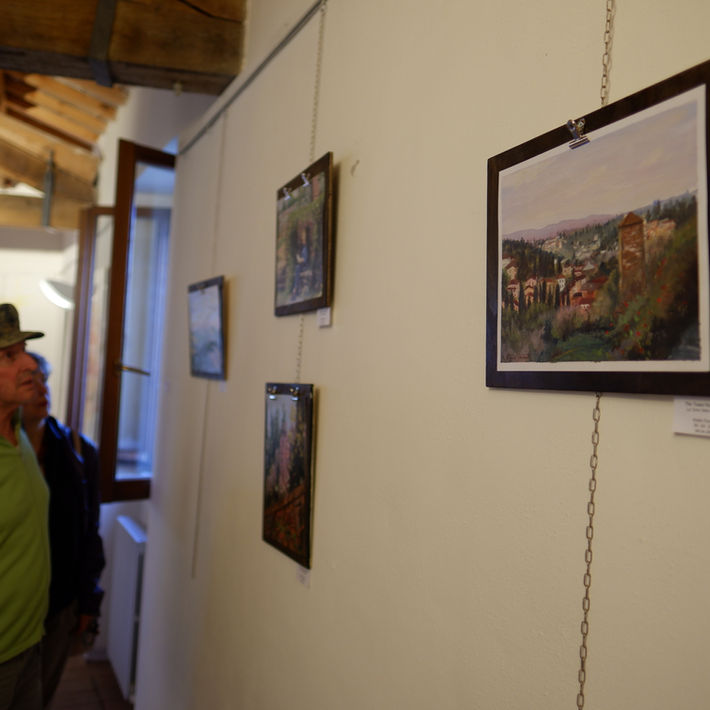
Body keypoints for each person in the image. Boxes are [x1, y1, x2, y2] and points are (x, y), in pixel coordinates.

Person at [22, 353, 105, 708]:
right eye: (30, 382)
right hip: (12, 600)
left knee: (40, 693)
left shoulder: (78, 451)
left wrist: (88, 600)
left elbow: (89, 531)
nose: (43, 390)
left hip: (58, 601)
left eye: (45, 380)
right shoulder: (10, 453)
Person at [0, 304, 50, 710]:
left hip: (29, 641)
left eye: (25, 351)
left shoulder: (18, 431)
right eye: (9, 356)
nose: (30, 364)